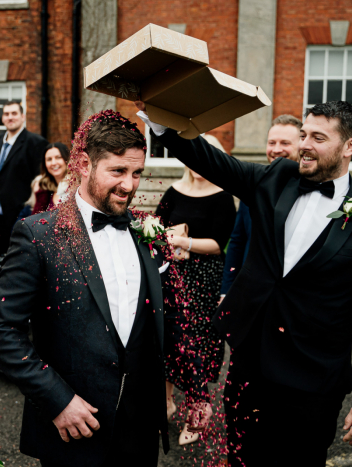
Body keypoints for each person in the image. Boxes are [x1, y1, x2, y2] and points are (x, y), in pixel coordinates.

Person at [136, 100, 352, 466]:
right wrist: (160, 118)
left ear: (350, 146)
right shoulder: (274, 178)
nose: (305, 145)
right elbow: (212, 160)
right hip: (250, 369)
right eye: (303, 135)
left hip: (314, 383)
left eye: (318, 137)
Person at [0, 110, 212, 467]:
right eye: (118, 171)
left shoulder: (146, 232)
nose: (130, 185)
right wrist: (58, 400)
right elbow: (1, 329)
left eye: (137, 173)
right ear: (84, 163)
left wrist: (197, 390)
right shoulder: (38, 234)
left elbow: (170, 317)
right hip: (74, 425)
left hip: (140, 427)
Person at [155, 134, 236, 446]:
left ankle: (197, 412)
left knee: (197, 346)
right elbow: (157, 226)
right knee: (167, 339)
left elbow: (218, 243)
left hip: (205, 279)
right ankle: (166, 402)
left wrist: (183, 241)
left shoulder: (223, 196)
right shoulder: (174, 191)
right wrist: (162, 237)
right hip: (173, 276)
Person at [220, 114, 302, 299]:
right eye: (272, 142)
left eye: (285, 143)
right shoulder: (254, 185)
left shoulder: (312, 191)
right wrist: (226, 290)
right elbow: (238, 241)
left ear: (301, 146)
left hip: (291, 296)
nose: (276, 149)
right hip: (249, 291)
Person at [0, 101, 48, 261]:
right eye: (6, 114)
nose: (10, 117)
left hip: (16, 220)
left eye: (14, 113)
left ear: (23, 117)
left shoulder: (36, 143)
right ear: (2, 118)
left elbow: (39, 184)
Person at [32, 142, 70, 214]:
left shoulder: (77, 187)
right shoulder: (44, 190)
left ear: (67, 159)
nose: (53, 163)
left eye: (58, 157)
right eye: (49, 159)